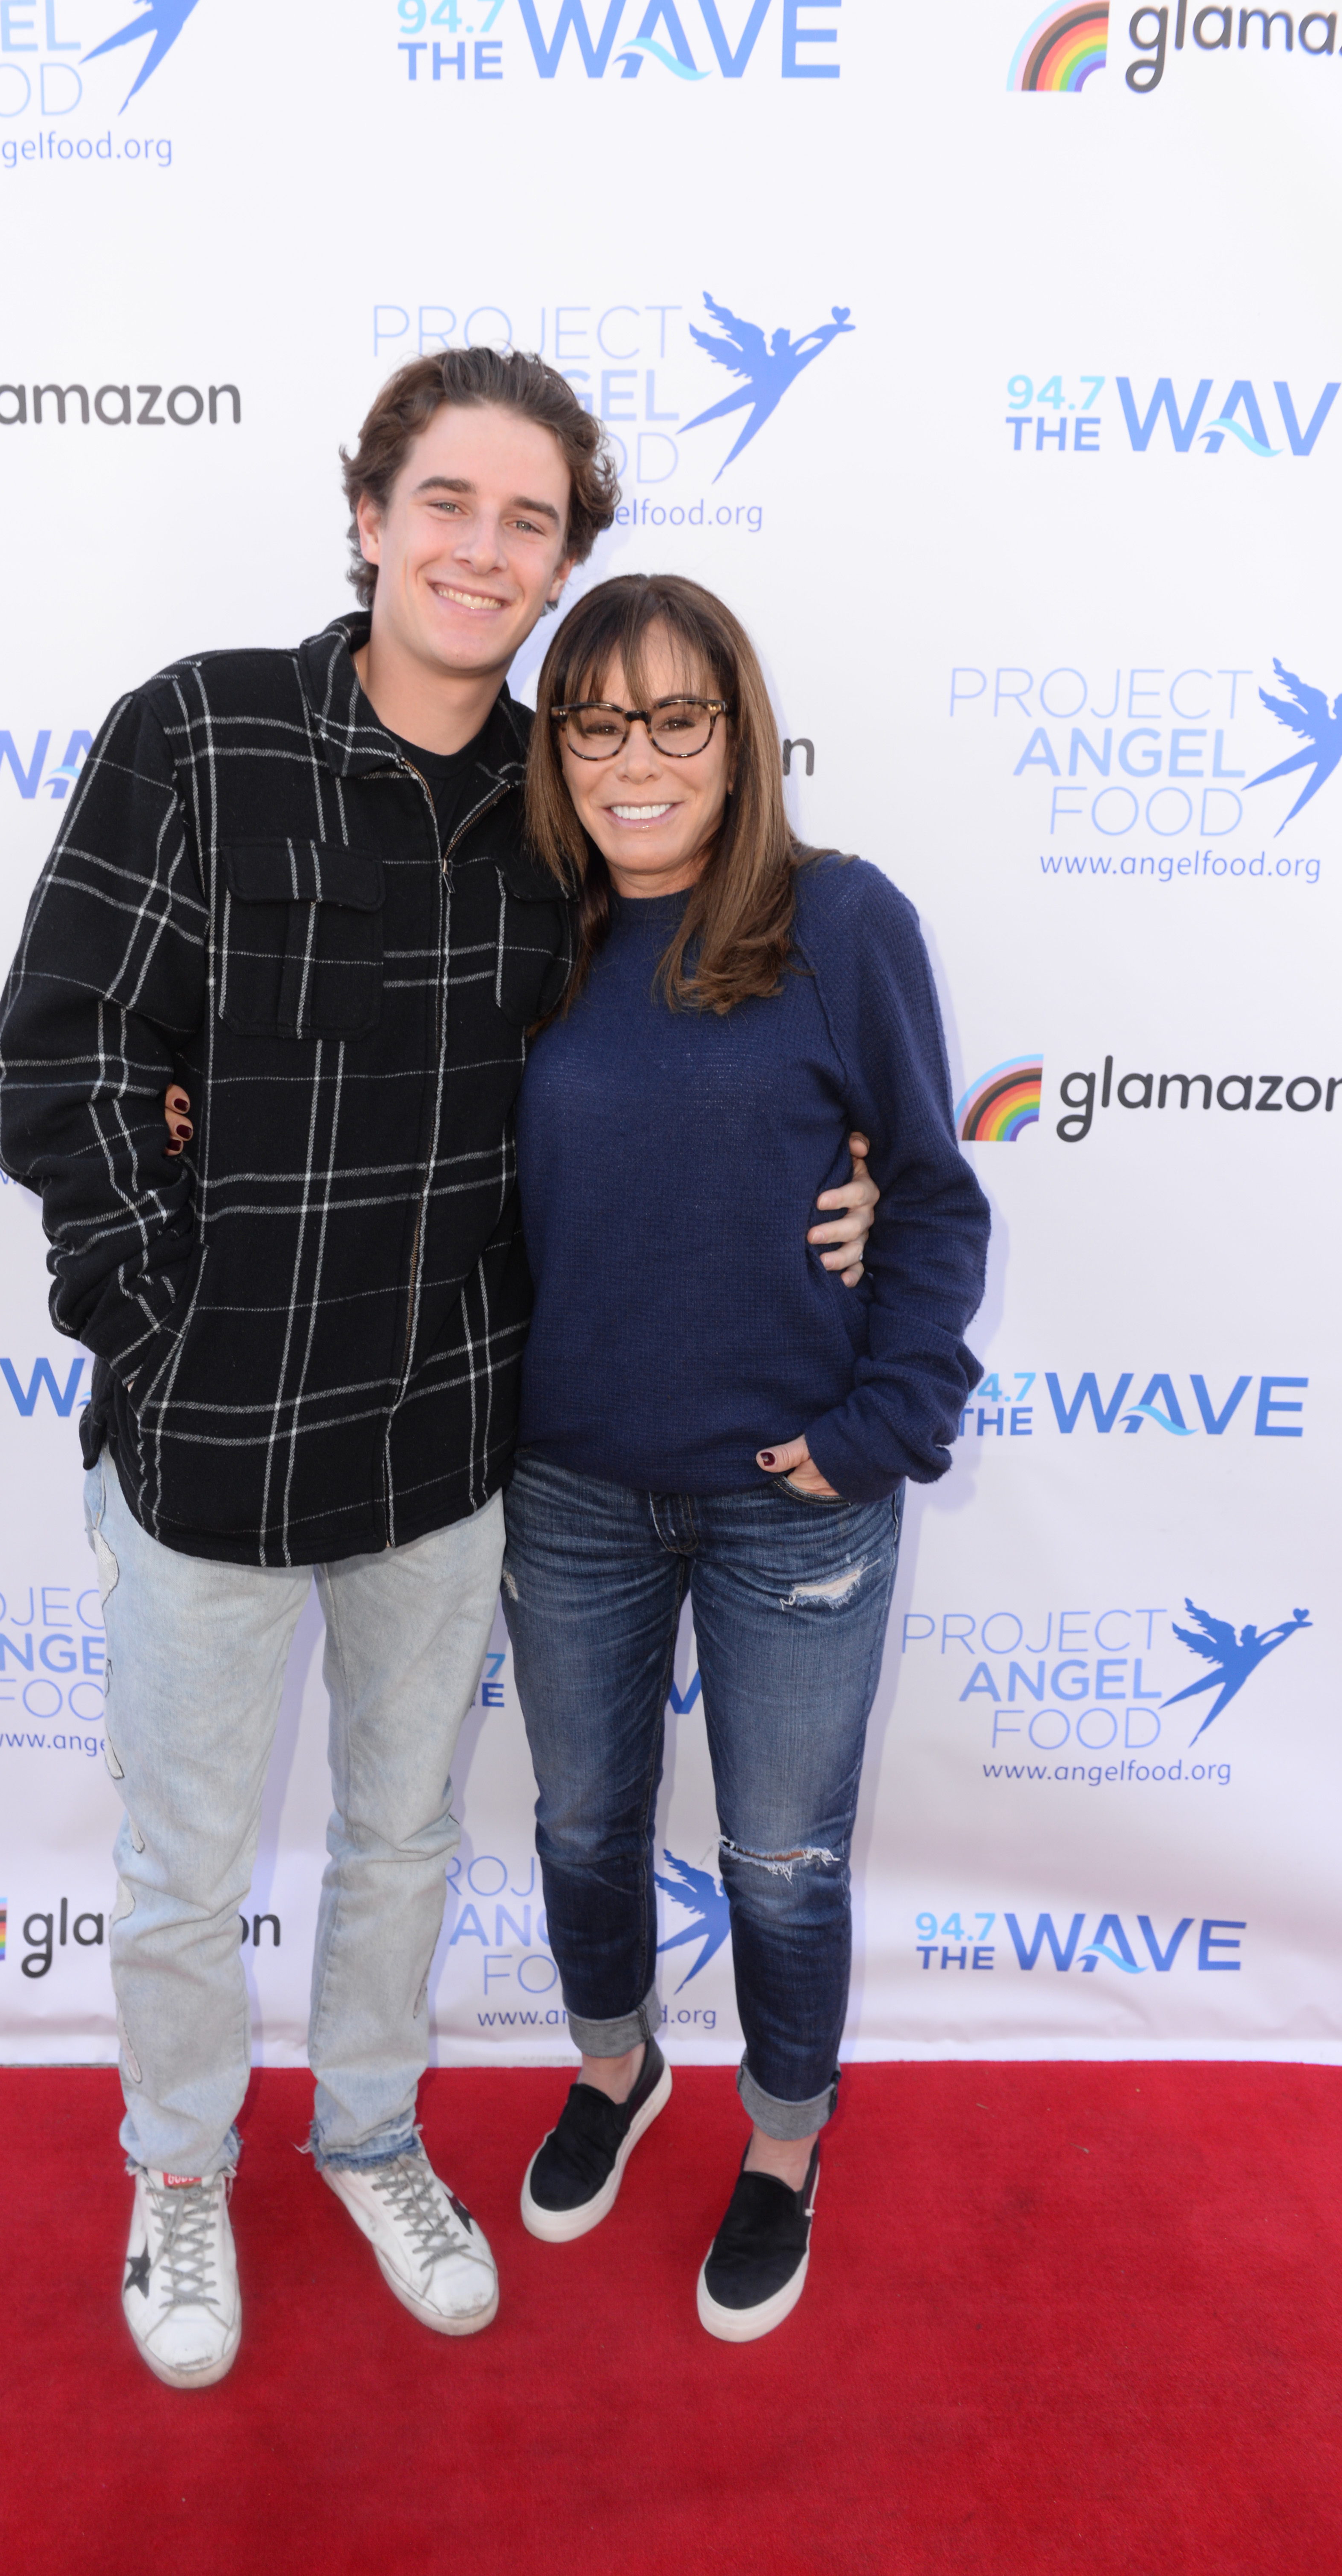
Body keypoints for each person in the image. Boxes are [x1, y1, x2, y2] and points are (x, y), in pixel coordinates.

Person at [0, 352, 880, 2392]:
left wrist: (836, 1183)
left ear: (566, 557)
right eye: (449, 503)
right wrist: (161, 1316)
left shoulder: (559, 813)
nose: (486, 550)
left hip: (447, 1447)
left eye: (531, 521)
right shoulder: (200, 731)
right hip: (207, 1445)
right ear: (371, 515)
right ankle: (181, 2173)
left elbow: (688, 1047)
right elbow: (60, 1057)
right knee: (181, 1869)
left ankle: (372, 2138)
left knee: (403, 1843)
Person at [498, 572, 990, 2341]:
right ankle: (614, 2066)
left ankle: (781, 2140)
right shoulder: (521, 932)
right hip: (565, 1483)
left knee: (779, 1855)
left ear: (737, 733)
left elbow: (929, 1196)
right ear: (556, 746)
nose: (636, 758)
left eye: (675, 717)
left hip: (796, 1493)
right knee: (575, 1818)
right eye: (595, 720)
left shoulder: (836, 921)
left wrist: (876, 1426)